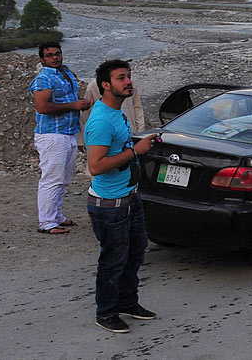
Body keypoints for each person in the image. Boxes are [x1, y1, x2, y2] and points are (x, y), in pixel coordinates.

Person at [84, 59, 157, 334]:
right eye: (121, 78)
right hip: (110, 207)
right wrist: (137, 151)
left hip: (130, 199)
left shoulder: (117, 112)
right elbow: (96, 166)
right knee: (112, 262)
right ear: (105, 85)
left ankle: (127, 303)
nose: (128, 82)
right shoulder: (102, 121)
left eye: (128, 76)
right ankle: (106, 313)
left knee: (135, 253)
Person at [29, 42, 91, 235]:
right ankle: (46, 222)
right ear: (42, 59)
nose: (55, 57)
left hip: (68, 132)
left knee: (64, 178)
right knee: (52, 178)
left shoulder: (65, 72)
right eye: (49, 55)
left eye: (57, 54)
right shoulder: (44, 78)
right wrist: (74, 105)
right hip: (52, 135)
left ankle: (56, 215)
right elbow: (42, 107)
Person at [78, 49, 145, 150]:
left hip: (130, 133)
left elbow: (137, 107)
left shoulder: (130, 83)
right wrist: (81, 139)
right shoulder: (93, 87)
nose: (127, 80)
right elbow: (86, 113)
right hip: (107, 134)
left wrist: (140, 132)